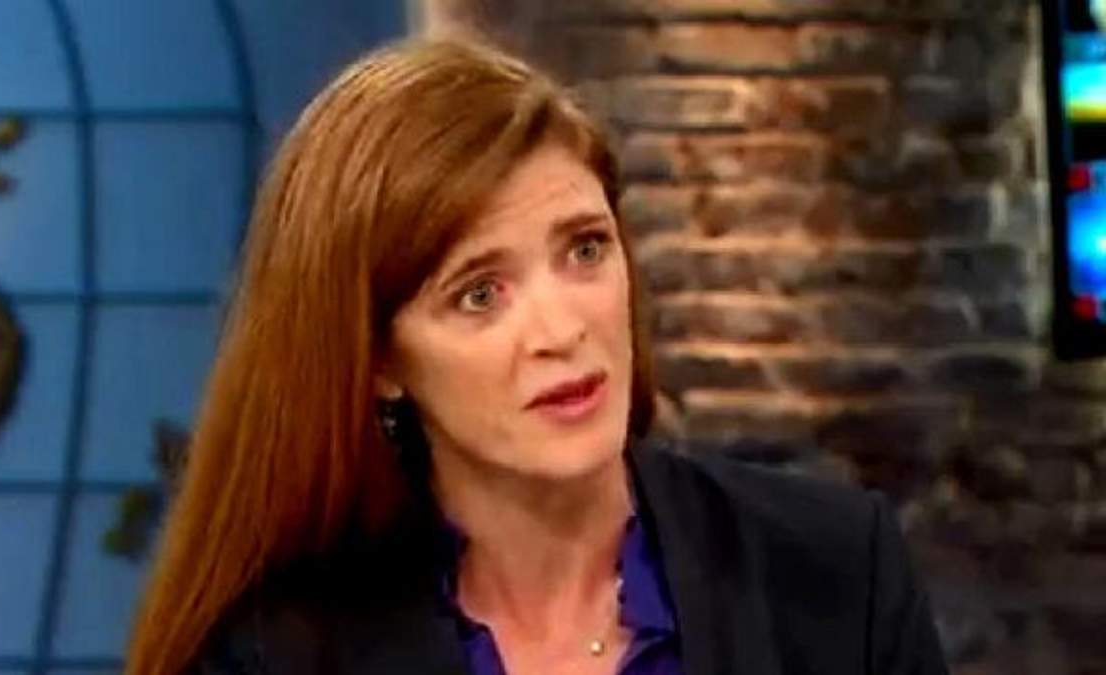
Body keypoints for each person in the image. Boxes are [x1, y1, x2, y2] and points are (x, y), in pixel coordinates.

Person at [125, 39, 949, 675]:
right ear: (380, 361)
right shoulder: (277, 656)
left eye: (585, 249)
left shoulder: (837, 571)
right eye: (479, 294)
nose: (561, 329)